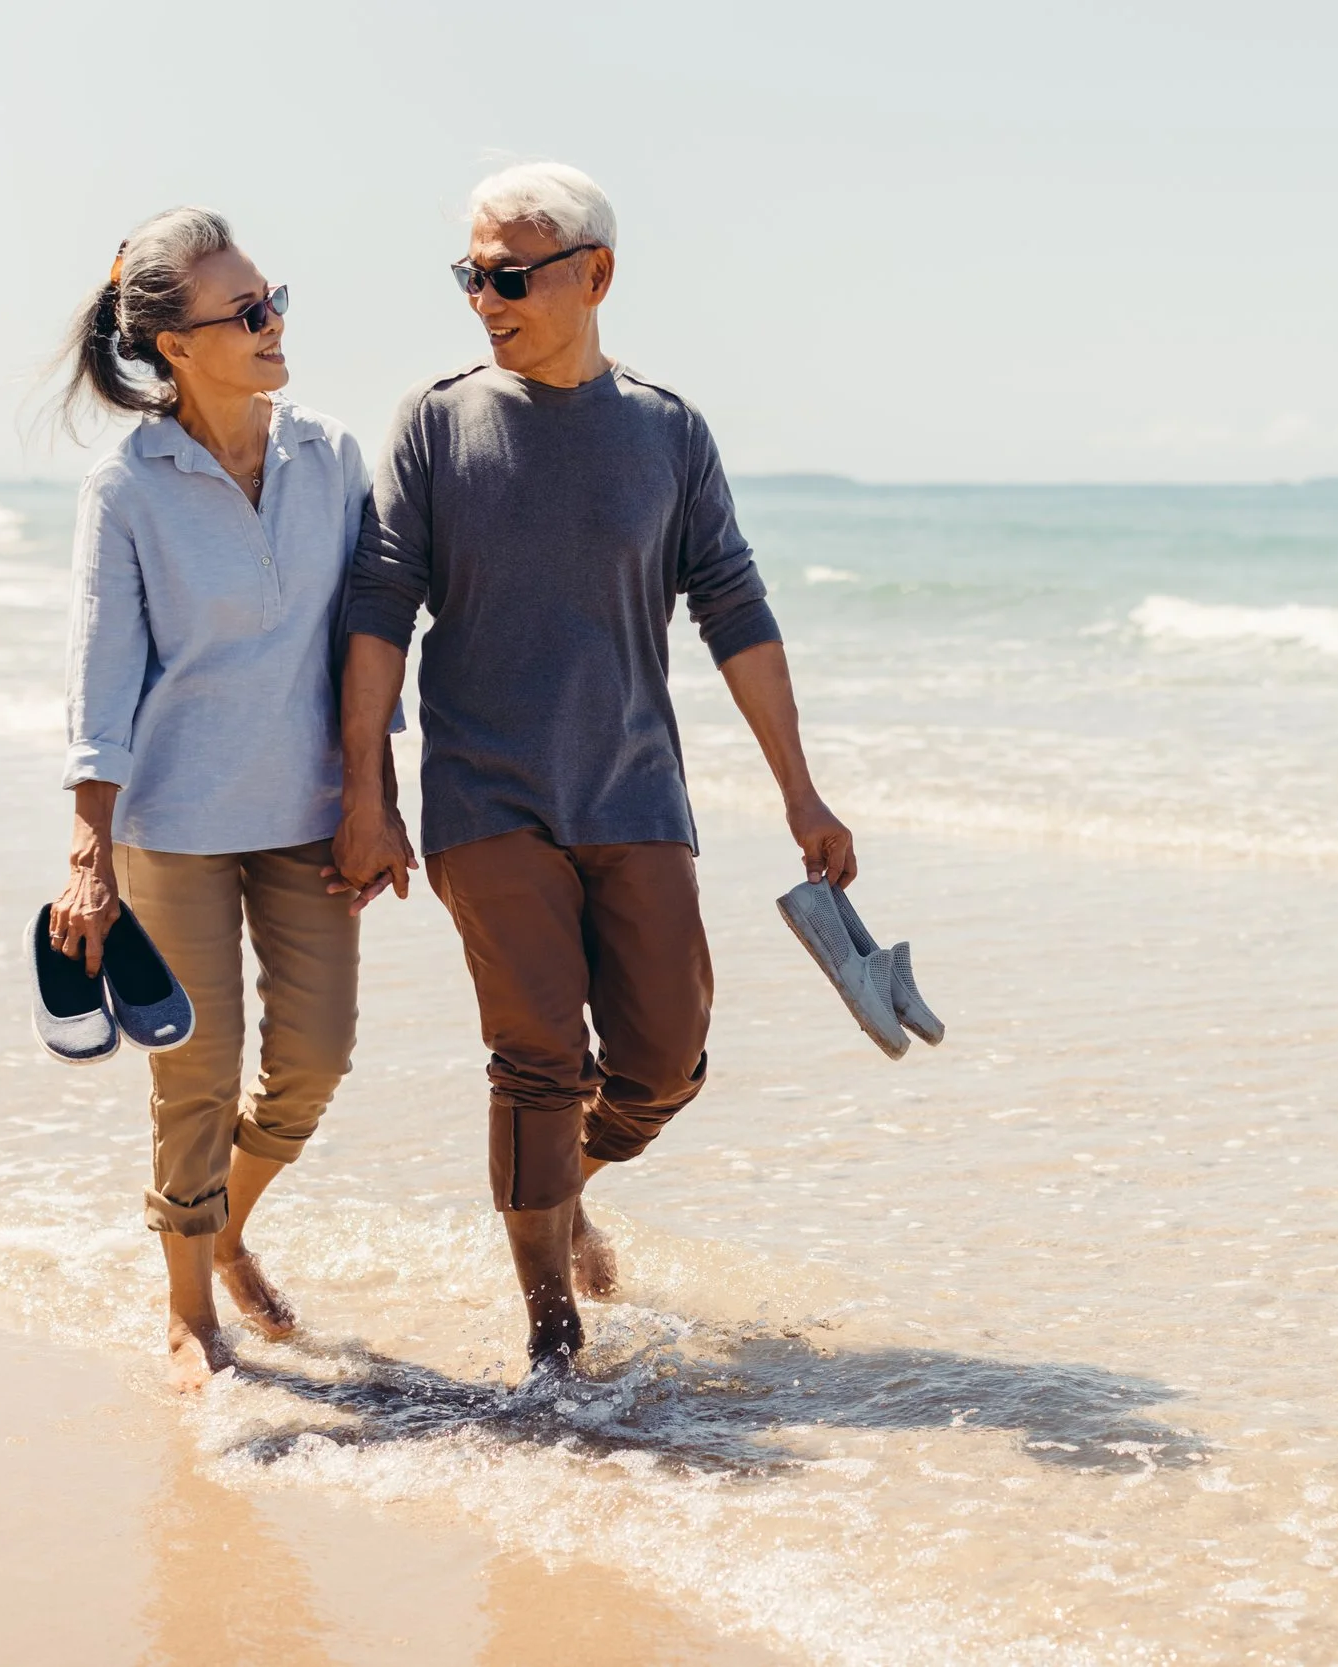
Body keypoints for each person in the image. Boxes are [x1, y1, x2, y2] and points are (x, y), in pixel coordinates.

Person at [333, 161, 855, 1377]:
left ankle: (562, 1184)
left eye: (508, 275)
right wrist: (368, 790)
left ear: (595, 275)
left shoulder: (667, 430)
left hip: (632, 789)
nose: (483, 297)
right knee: (534, 1056)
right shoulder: (433, 421)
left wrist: (801, 788)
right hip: (484, 792)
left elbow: (733, 604)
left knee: (666, 1057)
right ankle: (551, 1340)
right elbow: (379, 607)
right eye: (470, 274)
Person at [46, 208, 388, 1391]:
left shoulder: (332, 454)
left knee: (317, 1059)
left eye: (273, 298)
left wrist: (372, 793)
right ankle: (190, 1305)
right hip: (175, 826)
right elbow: (101, 681)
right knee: (193, 1073)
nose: (273, 322)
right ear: (174, 346)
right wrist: (88, 855)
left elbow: (368, 646)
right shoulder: (128, 484)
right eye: (246, 313)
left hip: (308, 812)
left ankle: (224, 1220)